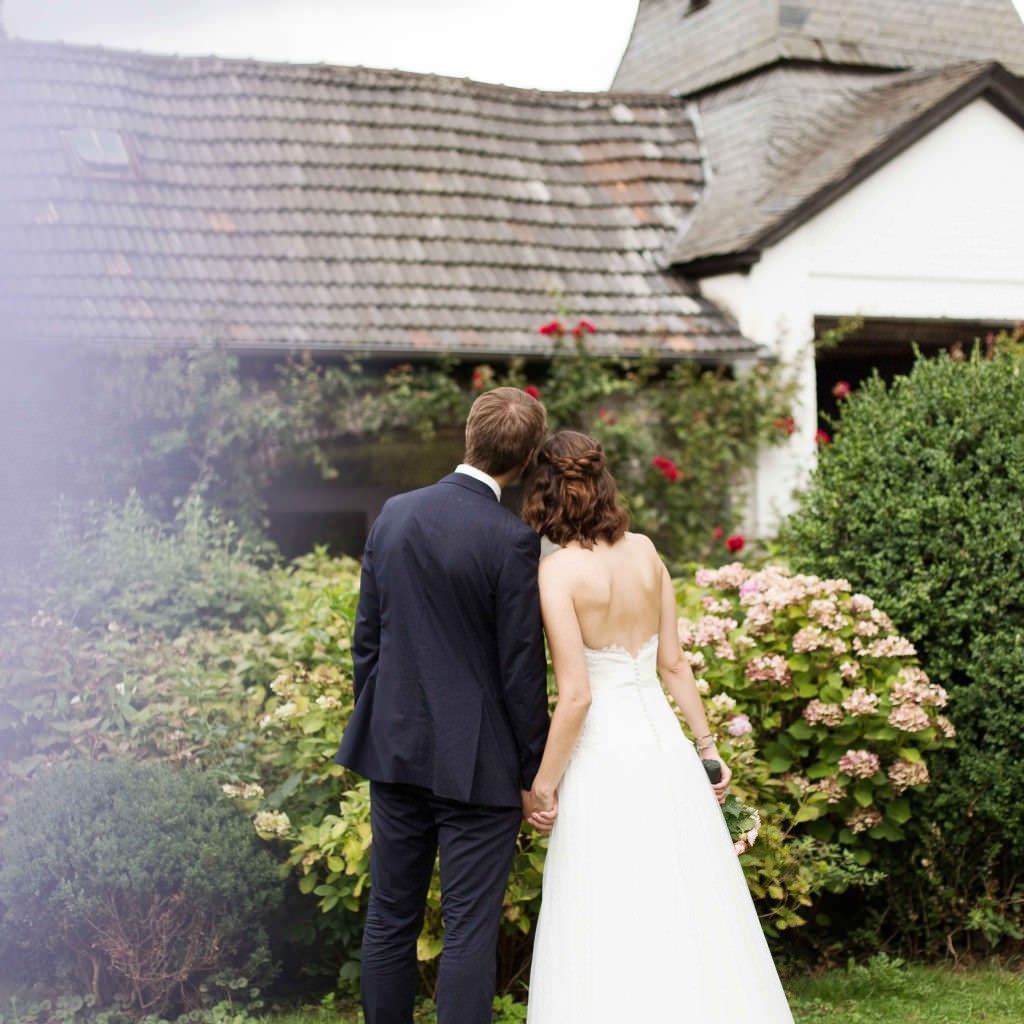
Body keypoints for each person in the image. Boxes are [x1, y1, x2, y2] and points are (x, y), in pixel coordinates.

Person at [520, 429, 795, 1024]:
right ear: (602, 483)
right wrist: (708, 750)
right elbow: (673, 664)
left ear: (543, 490)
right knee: (688, 902)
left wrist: (542, 785)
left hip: (603, 762)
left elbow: (575, 697)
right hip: (666, 751)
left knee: (609, 908)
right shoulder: (646, 551)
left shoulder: (558, 573)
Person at [334, 387, 553, 1024]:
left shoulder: (394, 514)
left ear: (468, 434)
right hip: (479, 766)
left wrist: (380, 723)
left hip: (395, 747)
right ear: (527, 456)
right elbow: (520, 672)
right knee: (467, 931)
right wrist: (532, 774)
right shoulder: (512, 541)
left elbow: (366, 641)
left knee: (391, 915)